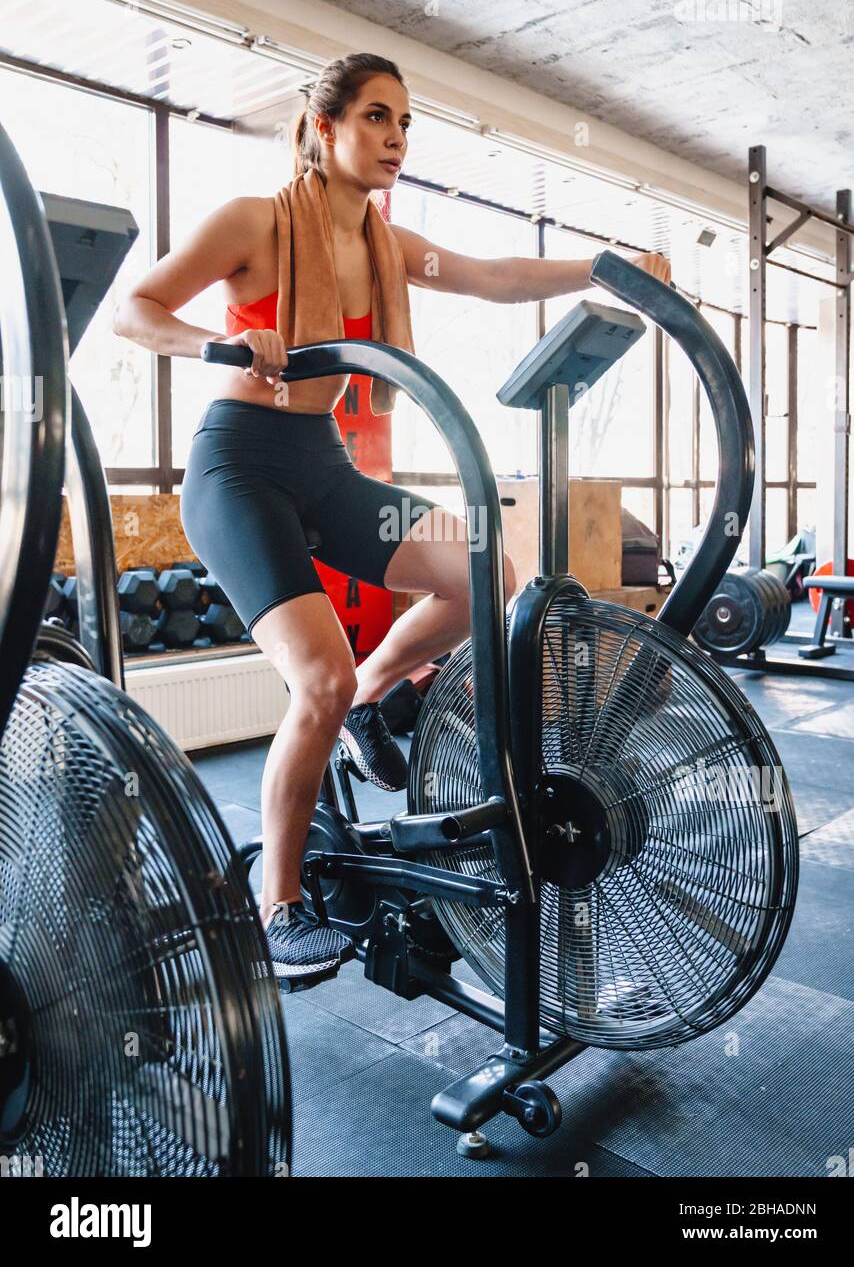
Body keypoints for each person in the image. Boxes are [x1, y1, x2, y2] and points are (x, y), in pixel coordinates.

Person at [113, 51, 671, 990]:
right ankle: (277, 905)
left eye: (404, 124)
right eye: (376, 118)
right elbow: (135, 310)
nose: (395, 140)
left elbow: (492, 274)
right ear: (324, 127)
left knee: (479, 574)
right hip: (237, 467)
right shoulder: (252, 222)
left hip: (321, 465)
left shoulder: (385, 244)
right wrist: (217, 346)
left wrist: (602, 267)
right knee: (314, 682)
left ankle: (377, 692)